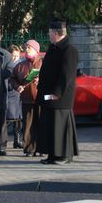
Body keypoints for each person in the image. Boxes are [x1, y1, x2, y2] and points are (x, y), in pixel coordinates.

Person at [37, 20, 79, 165]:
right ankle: (52, 154)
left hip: (60, 97)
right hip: (48, 95)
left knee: (60, 126)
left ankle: (64, 155)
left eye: (49, 33)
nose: (48, 35)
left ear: (55, 33)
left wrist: (57, 92)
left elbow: (66, 74)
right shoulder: (53, 48)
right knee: (49, 125)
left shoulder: (69, 50)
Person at [10, 40, 43, 156]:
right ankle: (29, 148)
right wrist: (17, 86)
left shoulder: (42, 63)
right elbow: (12, 78)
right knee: (28, 125)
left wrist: (41, 81)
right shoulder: (20, 65)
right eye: (26, 47)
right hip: (26, 99)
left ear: (36, 50)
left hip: (40, 99)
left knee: (41, 123)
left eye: (29, 47)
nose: (26, 49)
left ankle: (41, 148)